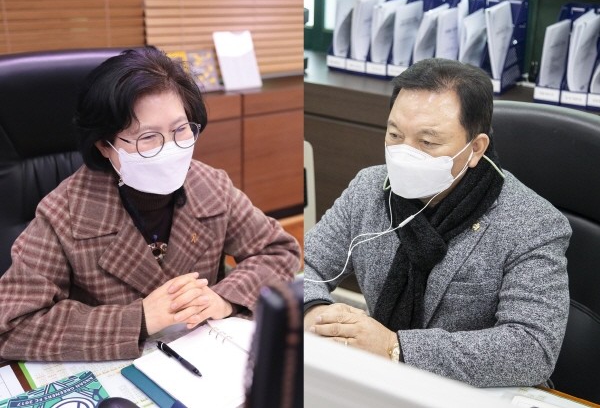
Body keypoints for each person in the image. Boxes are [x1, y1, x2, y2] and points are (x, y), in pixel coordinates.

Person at [0, 47, 300, 361]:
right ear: (105, 145)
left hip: (203, 356)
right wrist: (138, 318)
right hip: (114, 367)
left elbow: (278, 251)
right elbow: (11, 323)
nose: (170, 148)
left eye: (181, 129)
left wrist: (224, 298)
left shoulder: (210, 185)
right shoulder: (64, 213)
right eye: (148, 137)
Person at [304, 58, 571, 387]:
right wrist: (313, 311)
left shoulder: (533, 223)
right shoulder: (369, 189)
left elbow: (532, 349)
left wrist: (395, 347)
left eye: (427, 142)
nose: (404, 153)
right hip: (378, 382)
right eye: (395, 134)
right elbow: (303, 265)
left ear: (476, 148)